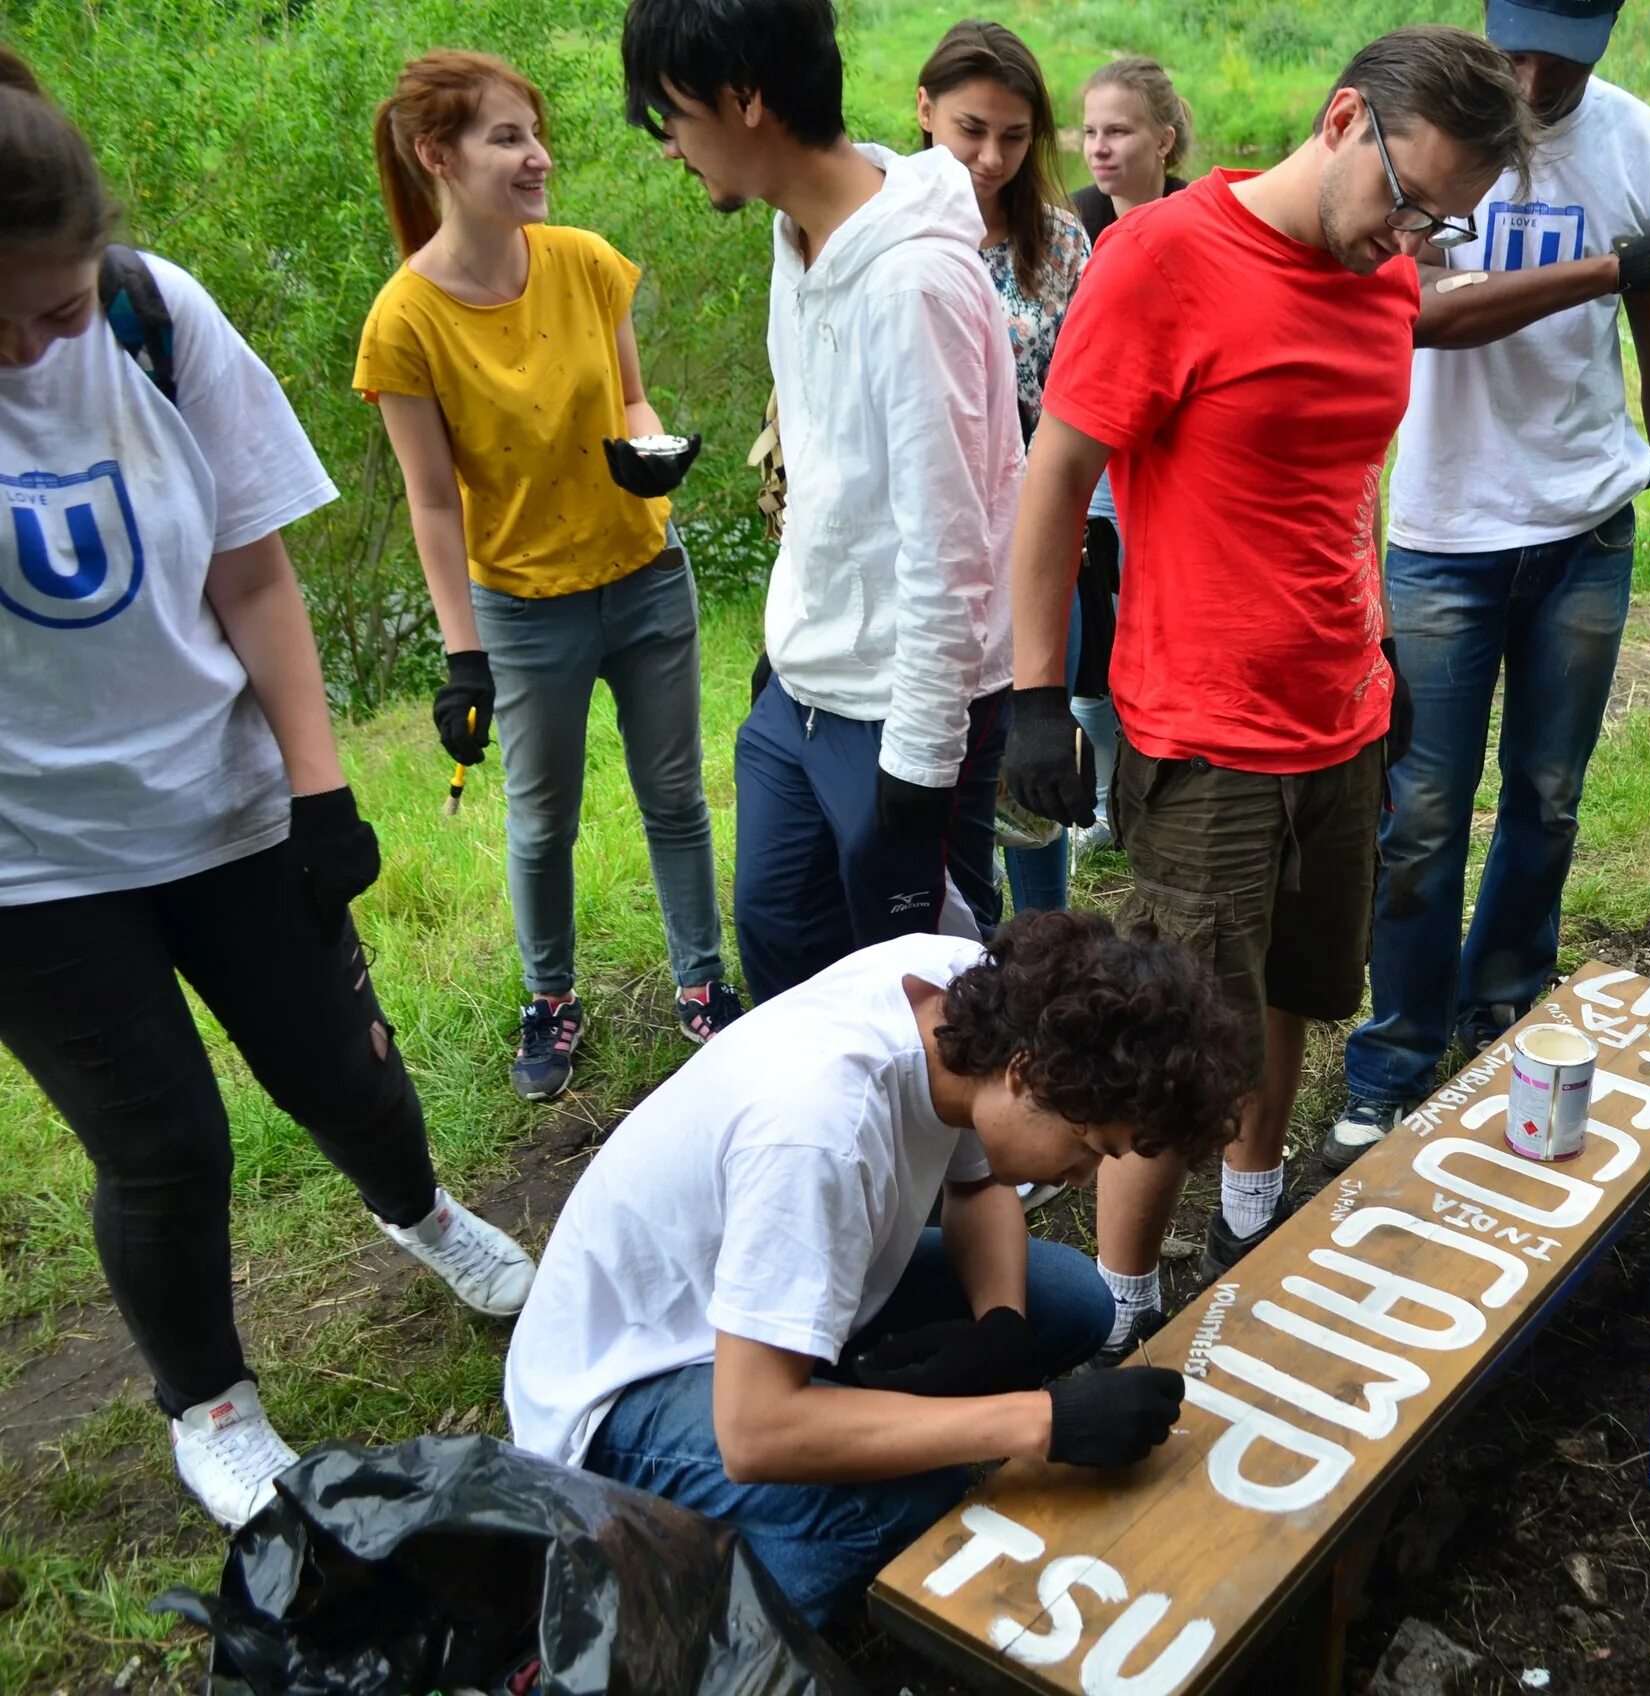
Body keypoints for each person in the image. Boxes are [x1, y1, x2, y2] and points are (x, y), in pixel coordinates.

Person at [0, 49, 534, 1531]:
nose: (36, 349)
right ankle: (211, 1406)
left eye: (53, 310)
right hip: (28, 861)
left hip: (221, 796)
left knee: (343, 1066)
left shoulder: (150, 316)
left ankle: (421, 1212)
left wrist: (319, 789)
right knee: (163, 1142)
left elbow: (249, 564)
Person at [1005, 27, 1536, 1358]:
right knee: (1173, 1044)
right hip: (1205, 734)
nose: (1411, 239)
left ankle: (1255, 1221)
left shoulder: (1383, 278)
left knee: (1297, 991)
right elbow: (1058, 477)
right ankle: (1125, 1310)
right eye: (1406, 202)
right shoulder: (1165, 258)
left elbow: (1345, 480)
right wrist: (1030, 695)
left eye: (1445, 223)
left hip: (1340, 717)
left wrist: (1385, 652)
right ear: (1346, 118)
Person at [503, 911, 1244, 1624]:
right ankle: (669, 1623)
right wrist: (1042, 1421)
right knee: (902, 1497)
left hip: (761, 1302)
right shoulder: (820, 1132)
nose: (1084, 1176)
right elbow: (755, 1430)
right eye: (1090, 1147)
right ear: (1025, 1078)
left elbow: (978, 1181)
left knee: (1065, 1299)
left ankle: (839, 1397)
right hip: (625, 1389)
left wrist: (1002, 1329)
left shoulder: (963, 1001)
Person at [1326, 0, 1650, 1169]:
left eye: (1567, 50)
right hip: (1446, 532)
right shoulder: (1428, 132)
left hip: (1584, 529)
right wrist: (1607, 265)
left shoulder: (1643, 150)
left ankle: (1506, 1006)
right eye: (1518, 45)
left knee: (1547, 796)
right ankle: (1394, 1058)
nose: (1537, 72)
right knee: (1419, 820)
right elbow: (1415, 318)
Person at [359, 51, 740, 1104]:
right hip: (524, 608)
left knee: (674, 797)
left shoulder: (583, 261)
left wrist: (647, 444)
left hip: (647, 573)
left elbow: (632, 397)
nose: (540, 157)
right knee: (541, 818)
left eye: (536, 134)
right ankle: (551, 998)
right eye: (509, 138)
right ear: (439, 155)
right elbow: (433, 503)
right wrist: (461, 657)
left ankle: (703, 982)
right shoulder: (405, 321)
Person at [622, 0, 1020, 1002]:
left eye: (670, 114)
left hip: (901, 714)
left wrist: (923, 763)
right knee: (786, 964)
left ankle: (970, 1170)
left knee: (929, 1017)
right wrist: (785, 644)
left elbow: (951, 539)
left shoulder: (913, 281)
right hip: (801, 691)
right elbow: (827, 473)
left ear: (747, 99)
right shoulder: (797, 233)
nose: (668, 148)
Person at [915, 20, 1093, 918]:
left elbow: (1084, 401)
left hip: (1030, 532)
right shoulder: (887, 236)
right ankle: (960, 946)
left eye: (1015, 137)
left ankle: (1046, 943)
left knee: (1035, 764)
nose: (991, 157)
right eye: (971, 130)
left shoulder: (1059, 243)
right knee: (941, 761)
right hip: (928, 541)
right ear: (924, 112)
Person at [1062, 54, 1195, 858]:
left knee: (1164, 625)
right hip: (1093, 460)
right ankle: (1106, 808)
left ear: (1165, 140)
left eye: (1120, 131)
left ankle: (1163, 797)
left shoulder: (1199, 220)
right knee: (1093, 638)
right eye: (1090, 132)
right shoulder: (1070, 224)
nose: (1101, 147)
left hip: (1175, 459)